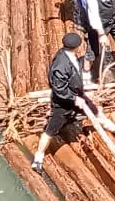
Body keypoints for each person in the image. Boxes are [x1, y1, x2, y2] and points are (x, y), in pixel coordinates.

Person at [30, 32, 87, 171]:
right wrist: (74, 98)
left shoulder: (69, 55)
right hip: (63, 104)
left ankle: (73, 121)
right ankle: (39, 156)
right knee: (50, 131)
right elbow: (59, 90)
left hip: (74, 96)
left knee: (88, 112)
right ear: (77, 46)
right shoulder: (61, 65)